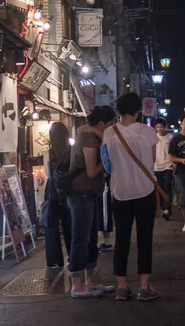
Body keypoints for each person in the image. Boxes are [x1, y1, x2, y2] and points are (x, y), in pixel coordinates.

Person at [103, 92, 160, 301]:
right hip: (145, 190)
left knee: (122, 239)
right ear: (138, 110)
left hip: (120, 192)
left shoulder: (109, 133)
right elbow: (151, 162)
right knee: (145, 239)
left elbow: (107, 162)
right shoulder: (148, 132)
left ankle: (122, 286)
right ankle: (144, 287)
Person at [68, 106, 116, 299]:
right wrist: (107, 164)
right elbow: (91, 171)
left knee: (91, 239)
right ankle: (77, 285)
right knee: (80, 239)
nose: (112, 127)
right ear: (102, 123)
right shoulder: (88, 139)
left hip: (90, 193)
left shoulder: (93, 135)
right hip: (81, 193)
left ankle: (90, 281)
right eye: (111, 124)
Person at [43, 122, 72, 268]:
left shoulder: (48, 153)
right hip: (68, 190)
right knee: (70, 226)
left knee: (52, 227)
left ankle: (55, 261)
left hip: (52, 192)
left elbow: (48, 174)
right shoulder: (71, 151)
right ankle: (73, 257)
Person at [154, 118, 175, 221]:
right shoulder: (153, 138)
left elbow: (173, 152)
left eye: (161, 127)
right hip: (157, 166)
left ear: (165, 127)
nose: (160, 129)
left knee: (167, 185)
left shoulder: (170, 138)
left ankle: (167, 208)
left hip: (168, 165)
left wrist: (173, 164)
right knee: (160, 186)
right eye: (157, 127)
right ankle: (162, 207)